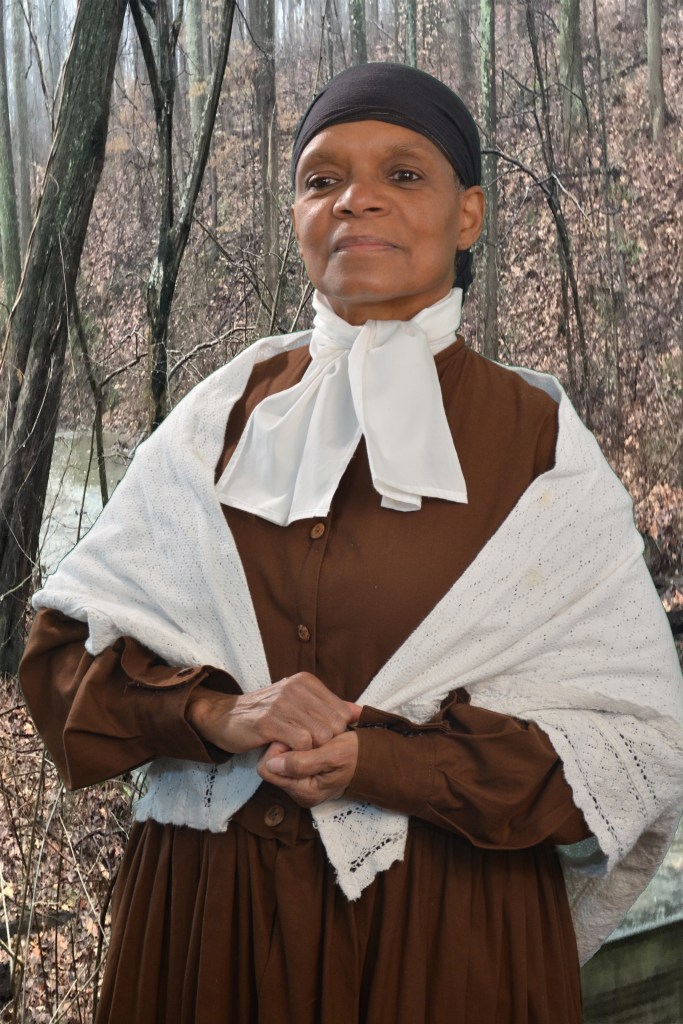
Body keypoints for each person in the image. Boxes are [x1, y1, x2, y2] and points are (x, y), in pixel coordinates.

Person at [20, 63, 683, 1024]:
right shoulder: (215, 422)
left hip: (447, 948)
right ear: (296, 213)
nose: (354, 198)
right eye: (322, 178)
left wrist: (383, 765)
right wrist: (217, 716)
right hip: (209, 940)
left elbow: (633, 745)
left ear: (468, 216)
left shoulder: (538, 446)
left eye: (402, 174)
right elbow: (59, 669)